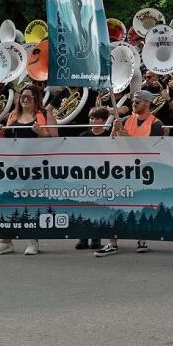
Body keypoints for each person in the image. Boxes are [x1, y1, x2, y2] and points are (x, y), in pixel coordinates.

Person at [0, 85, 57, 256]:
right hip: (12, 167)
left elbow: (56, 140)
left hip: (35, 168)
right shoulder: (13, 115)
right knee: (5, 202)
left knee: (30, 203)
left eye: (29, 97)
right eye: (23, 96)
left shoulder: (45, 115)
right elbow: (8, 141)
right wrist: (1, 134)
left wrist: (42, 133)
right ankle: (5, 241)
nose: (25, 99)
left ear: (36, 99)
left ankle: (33, 240)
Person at [94, 90, 165, 257]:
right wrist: (114, 131)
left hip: (143, 172)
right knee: (114, 205)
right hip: (122, 170)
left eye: (138, 100)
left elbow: (153, 151)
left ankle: (142, 239)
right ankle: (112, 242)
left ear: (147, 103)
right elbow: (113, 143)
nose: (134, 102)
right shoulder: (125, 120)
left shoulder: (156, 124)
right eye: (133, 100)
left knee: (141, 206)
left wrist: (127, 137)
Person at [76, 107, 110, 250]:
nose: (93, 121)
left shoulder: (108, 136)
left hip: (102, 176)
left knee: (99, 209)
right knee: (85, 208)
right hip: (86, 176)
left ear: (103, 121)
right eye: (91, 118)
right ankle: (83, 238)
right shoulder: (83, 136)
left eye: (96, 119)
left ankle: (96, 238)